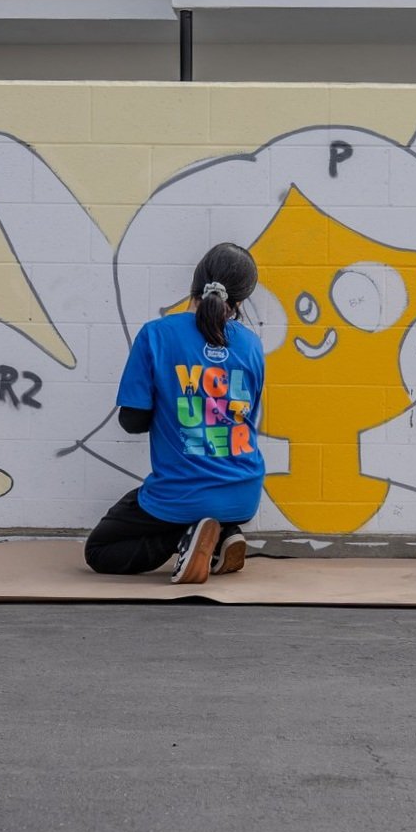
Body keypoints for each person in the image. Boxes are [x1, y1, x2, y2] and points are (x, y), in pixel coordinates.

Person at [86, 244, 267, 584]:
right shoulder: (252, 345)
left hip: (181, 494)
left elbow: (132, 422)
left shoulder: (157, 334)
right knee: (204, 498)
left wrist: (173, 399)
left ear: (195, 283)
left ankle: (188, 533)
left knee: (99, 550)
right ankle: (224, 532)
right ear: (241, 300)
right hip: (244, 493)